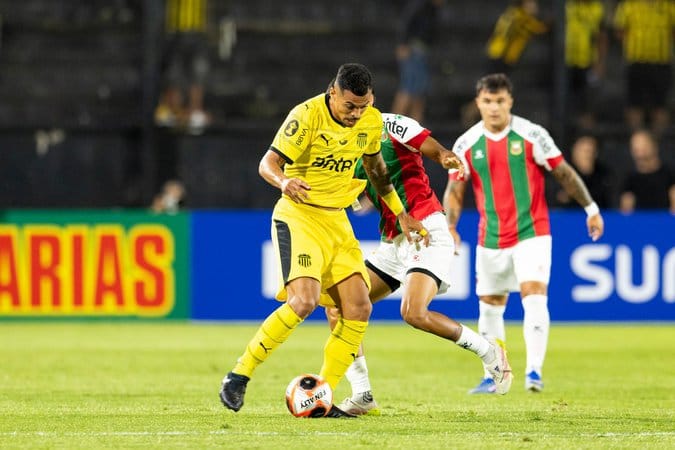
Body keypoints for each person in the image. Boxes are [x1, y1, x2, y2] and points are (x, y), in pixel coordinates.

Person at [219, 63, 425, 418]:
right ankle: (239, 375)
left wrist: (400, 212)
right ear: (333, 93)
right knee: (304, 301)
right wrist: (284, 181)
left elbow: (377, 171)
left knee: (359, 307)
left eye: (363, 105)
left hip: (337, 222)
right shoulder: (306, 116)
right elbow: (267, 163)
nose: (356, 113)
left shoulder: (371, 121)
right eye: (349, 106)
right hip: (300, 217)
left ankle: (321, 395)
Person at [325, 111, 513, 415]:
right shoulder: (344, 141)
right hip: (393, 241)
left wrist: (444, 156)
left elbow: (429, 146)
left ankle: (490, 352)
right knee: (339, 306)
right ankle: (362, 395)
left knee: (413, 312)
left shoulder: (390, 124)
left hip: (425, 229)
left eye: (358, 105)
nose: (351, 112)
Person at [443, 73, 605, 394]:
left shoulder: (532, 135)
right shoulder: (465, 144)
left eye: (500, 101)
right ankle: (495, 375)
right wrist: (450, 226)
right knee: (490, 305)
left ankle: (534, 373)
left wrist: (591, 208)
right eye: (488, 101)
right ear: (478, 103)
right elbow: (455, 191)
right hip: (490, 237)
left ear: (510, 102)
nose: (494, 108)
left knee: (534, 295)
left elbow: (564, 173)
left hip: (532, 232)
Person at [461, 0, 548, 127]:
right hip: (502, 58)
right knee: (493, 91)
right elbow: (539, 29)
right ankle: (470, 113)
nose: (535, 6)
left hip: (496, 55)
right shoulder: (522, 17)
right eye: (531, 3)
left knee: (496, 90)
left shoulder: (511, 13)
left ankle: (477, 115)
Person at [613, 0, 675, 136]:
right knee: (634, 105)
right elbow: (619, 30)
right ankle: (638, 141)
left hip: (661, 63)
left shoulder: (669, 6)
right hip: (636, 62)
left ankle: (657, 142)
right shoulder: (629, 5)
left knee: (660, 106)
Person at [154, 0, 211, 135]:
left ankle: (194, 110)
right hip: (173, 30)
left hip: (197, 30)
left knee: (198, 70)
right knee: (173, 71)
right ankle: (174, 110)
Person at [391, 0, 445, 123]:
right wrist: (402, 43)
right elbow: (406, 23)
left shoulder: (434, 10)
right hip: (413, 51)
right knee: (408, 89)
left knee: (419, 93)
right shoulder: (420, 5)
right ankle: (392, 128)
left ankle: (415, 129)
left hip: (424, 53)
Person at [565, 0, 608, 130]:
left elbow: (602, 37)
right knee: (566, 103)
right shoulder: (567, 6)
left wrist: (600, 63)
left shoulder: (597, 8)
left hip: (588, 63)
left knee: (587, 105)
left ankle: (586, 135)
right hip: (566, 63)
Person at [619, 129, 675, 213]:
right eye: (636, 148)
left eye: (644, 146)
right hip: (639, 220)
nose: (639, 152)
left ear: (654, 146)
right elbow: (626, 212)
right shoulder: (629, 180)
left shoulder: (670, 176)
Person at [556, 134, 614, 209]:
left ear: (596, 153)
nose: (587, 155)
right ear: (574, 151)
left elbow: (610, 203)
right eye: (583, 151)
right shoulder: (562, 174)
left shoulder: (604, 175)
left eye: (590, 151)